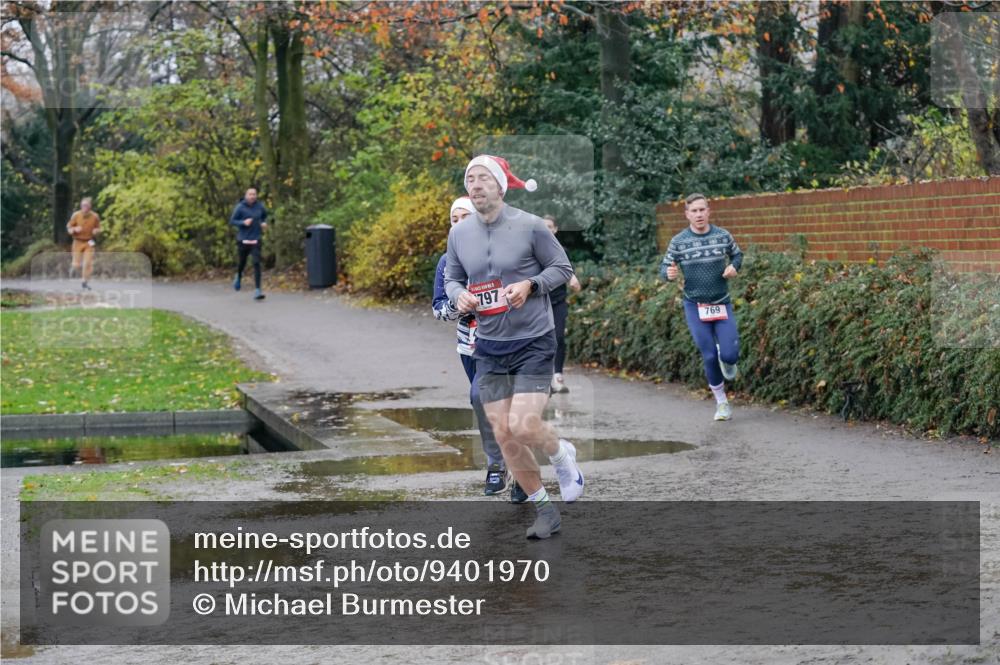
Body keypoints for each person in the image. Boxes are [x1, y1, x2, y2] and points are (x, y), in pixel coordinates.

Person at [445, 155, 584, 540]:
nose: (475, 185)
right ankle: (545, 512)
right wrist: (458, 296)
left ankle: (561, 454)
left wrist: (531, 285)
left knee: (523, 424)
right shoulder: (459, 234)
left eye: (483, 178)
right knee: (504, 434)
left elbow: (562, 269)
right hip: (489, 345)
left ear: (501, 186)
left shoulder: (530, 225)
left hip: (534, 341)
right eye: (470, 179)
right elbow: (453, 278)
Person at [433, 197, 528, 503]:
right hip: (471, 347)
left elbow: (526, 292)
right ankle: (499, 464)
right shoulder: (447, 262)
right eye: (454, 219)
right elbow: (438, 309)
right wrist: (457, 305)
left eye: (466, 217)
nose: (459, 224)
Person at [660, 193, 743, 421]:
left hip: (721, 302)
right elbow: (664, 268)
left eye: (702, 210)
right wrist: (668, 273)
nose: (698, 214)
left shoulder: (722, 236)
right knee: (708, 355)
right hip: (695, 306)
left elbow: (737, 255)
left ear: (709, 211)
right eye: (694, 211)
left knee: (730, 354)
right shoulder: (679, 241)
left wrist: (734, 267)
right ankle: (722, 403)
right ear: (687, 214)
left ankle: (726, 357)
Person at [542, 215, 582, 394]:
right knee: (540, 340)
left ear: (555, 229)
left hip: (558, 301)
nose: (547, 230)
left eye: (550, 226)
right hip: (539, 303)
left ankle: (557, 375)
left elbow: (566, 269)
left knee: (558, 337)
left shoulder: (561, 251)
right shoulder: (532, 250)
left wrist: (572, 278)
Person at [229, 187, 268, 300]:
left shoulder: (260, 206)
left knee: (256, 263)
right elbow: (232, 221)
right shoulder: (240, 207)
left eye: (254, 194)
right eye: (250, 194)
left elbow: (264, 216)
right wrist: (243, 222)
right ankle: (239, 276)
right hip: (243, 240)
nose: (252, 196)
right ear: (246, 196)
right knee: (242, 262)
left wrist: (263, 223)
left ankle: (257, 290)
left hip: (256, 239)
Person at [66, 197, 101, 290]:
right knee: (77, 264)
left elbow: (98, 228)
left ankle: (85, 281)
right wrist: (74, 229)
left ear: (90, 206)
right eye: (83, 205)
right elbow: (69, 228)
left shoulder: (95, 216)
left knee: (88, 263)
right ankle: (73, 268)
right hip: (77, 241)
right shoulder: (76, 215)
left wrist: (96, 231)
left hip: (89, 242)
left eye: (86, 205)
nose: (84, 207)